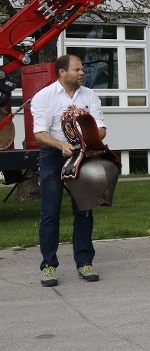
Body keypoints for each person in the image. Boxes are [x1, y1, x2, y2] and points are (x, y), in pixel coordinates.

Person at [31, 54, 106, 287]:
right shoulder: (44, 97)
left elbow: (101, 128)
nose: (82, 72)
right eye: (77, 69)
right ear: (62, 72)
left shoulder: (90, 95)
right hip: (53, 157)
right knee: (50, 211)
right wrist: (61, 145)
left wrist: (89, 141)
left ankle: (84, 262)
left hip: (83, 156)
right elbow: (40, 133)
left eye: (82, 69)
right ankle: (49, 266)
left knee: (84, 210)